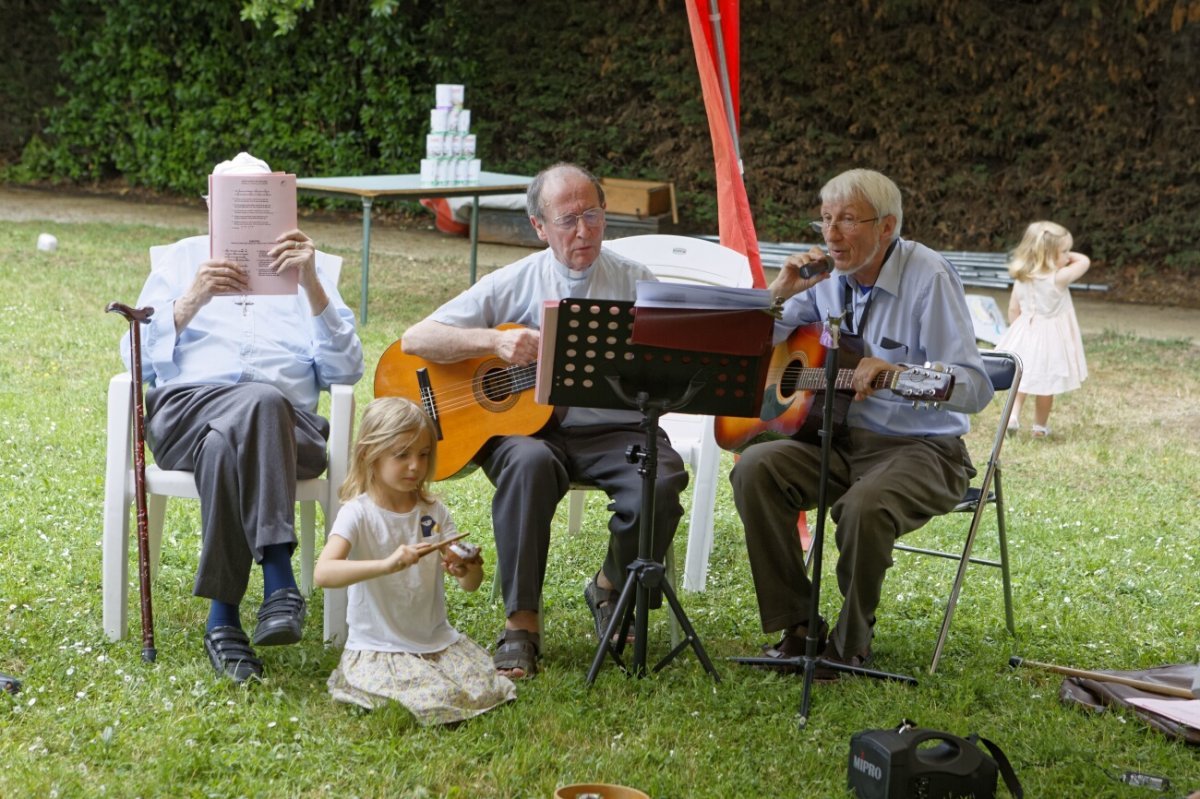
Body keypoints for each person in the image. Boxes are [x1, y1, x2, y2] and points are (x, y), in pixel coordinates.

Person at [400, 162, 689, 679]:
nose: (584, 231)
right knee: (528, 466)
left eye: (594, 216)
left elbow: (674, 364)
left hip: (616, 429)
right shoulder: (514, 281)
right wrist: (493, 341)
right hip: (529, 435)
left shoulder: (635, 281)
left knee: (661, 482)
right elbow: (416, 340)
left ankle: (608, 585)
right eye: (568, 219)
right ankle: (522, 625)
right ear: (539, 226)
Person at [730, 168, 994, 680]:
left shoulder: (929, 277)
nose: (831, 235)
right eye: (825, 219)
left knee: (863, 507)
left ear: (887, 226)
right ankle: (799, 625)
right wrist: (780, 291)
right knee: (756, 469)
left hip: (921, 450)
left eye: (848, 220)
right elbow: (747, 337)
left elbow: (975, 387)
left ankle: (850, 646)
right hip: (839, 438)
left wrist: (900, 374)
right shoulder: (823, 278)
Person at [120, 152, 364, 683]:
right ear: (212, 206)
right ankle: (277, 576)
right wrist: (192, 299)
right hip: (187, 413)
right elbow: (131, 357)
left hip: (289, 433)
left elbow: (347, 369)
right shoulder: (180, 262)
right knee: (257, 401)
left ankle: (223, 618)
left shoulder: (304, 269)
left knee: (232, 437)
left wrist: (313, 285)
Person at [314, 397, 516, 724]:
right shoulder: (358, 513)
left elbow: (470, 585)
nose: (415, 466)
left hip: (435, 641)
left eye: (423, 455)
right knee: (433, 697)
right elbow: (324, 572)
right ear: (370, 455)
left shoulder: (432, 512)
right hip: (380, 646)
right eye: (402, 455)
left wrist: (467, 568)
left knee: (483, 687)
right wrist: (386, 564)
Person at [994, 221, 1091, 439]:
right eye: (1064, 251)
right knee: (1046, 385)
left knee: (1023, 378)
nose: (1068, 257)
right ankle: (1039, 427)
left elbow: (1013, 310)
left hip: (1026, 332)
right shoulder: (1059, 278)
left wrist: (1019, 332)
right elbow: (1084, 262)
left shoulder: (1023, 279)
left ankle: (1013, 416)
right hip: (1051, 338)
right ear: (1048, 255)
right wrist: (1070, 257)